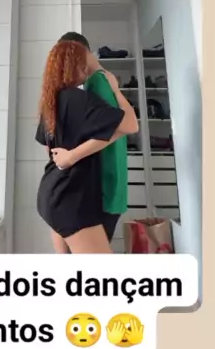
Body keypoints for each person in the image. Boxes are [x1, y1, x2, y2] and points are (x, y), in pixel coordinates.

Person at [35, 38, 138, 254]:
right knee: (99, 272)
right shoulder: (78, 99)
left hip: (51, 192)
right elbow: (131, 125)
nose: (86, 69)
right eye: (83, 62)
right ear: (75, 65)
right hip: (71, 199)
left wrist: (73, 153)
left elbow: (49, 150)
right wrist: (116, 90)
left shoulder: (51, 101)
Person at [59, 32, 130, 244]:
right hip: (112, 181)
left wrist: (71, 155)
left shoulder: (97, 82)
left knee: (93, 256)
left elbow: (122, 127)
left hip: (105, 183)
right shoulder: (101, 79)